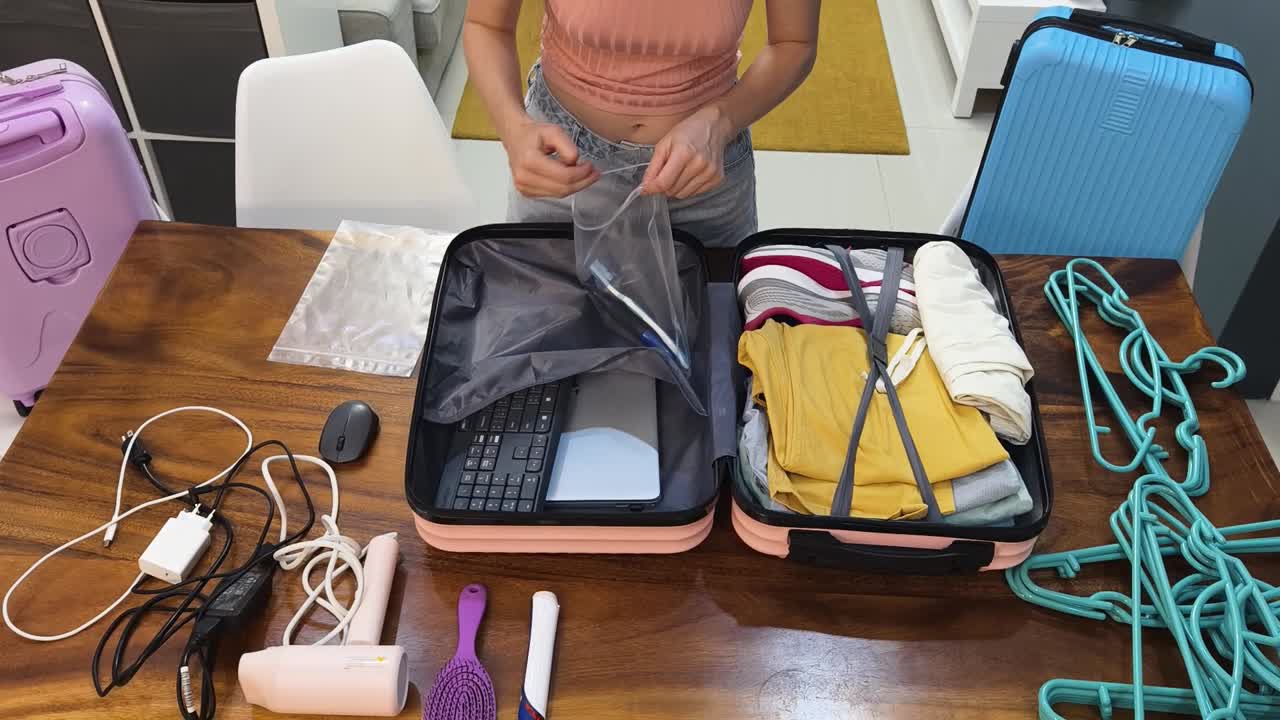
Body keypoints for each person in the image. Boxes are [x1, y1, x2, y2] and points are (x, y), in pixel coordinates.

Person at [464, 0, 820, 247]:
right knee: (535, 339)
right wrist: (515, 130)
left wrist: (720, 121)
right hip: (563, 169)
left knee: (710, 343)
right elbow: (486, 25)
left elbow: (794, 43)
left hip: (701, 174)